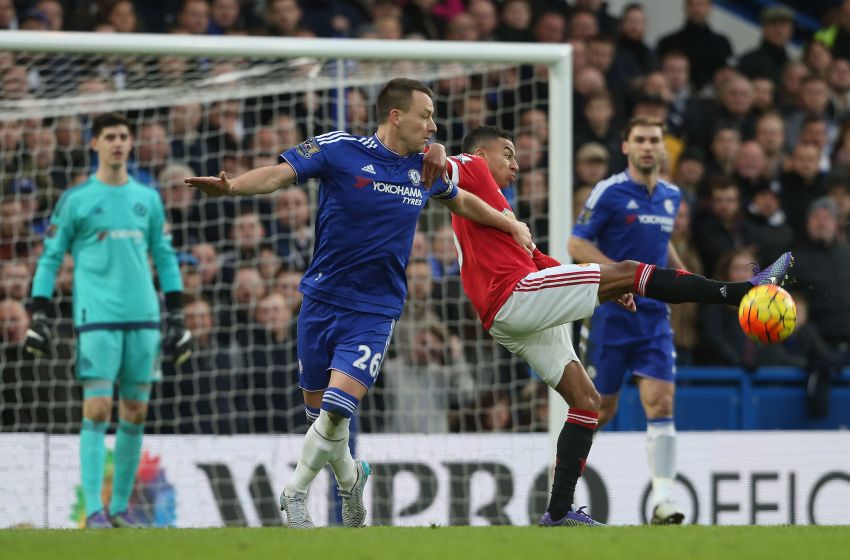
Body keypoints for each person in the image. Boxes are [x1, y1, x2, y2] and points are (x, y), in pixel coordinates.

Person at [185, 78, 533, 529]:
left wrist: (508, 224)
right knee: (322, 419)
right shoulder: (339, 149)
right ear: (395, 115)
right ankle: (352, 478)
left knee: (335, 410)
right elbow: (278, 174)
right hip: (320, 299)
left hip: (375, 310)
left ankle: (293, 495)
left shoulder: (425, 169)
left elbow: (463, 201)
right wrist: (232, 189)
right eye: (425, 115)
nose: (432, 125)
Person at [444, 123, 792, 527]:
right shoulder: (472, 166)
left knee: (587, 401)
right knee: (626, 269)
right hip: (513, 295)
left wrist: (606, 286)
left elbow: (541, 262)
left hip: (515, 309)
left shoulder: (499, 209)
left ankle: (558, 513)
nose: (516, 164)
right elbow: (442, 168)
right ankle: (741, 292)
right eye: (508, 153)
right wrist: (433, 153)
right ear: (483, 154)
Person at [24, 112, 192, 528]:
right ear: (94, 144)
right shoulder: (77, 200)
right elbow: (50, 258)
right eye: (109, 137)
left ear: (130, 144)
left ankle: (119, 510)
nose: (118, 143)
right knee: (97, 409)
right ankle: (94, 512)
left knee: (135, 412)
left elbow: (166, 258)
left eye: (123, 136)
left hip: (145, 320)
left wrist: (177, 312)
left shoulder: (148, 199)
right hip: (96, 319)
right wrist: (39, 312)